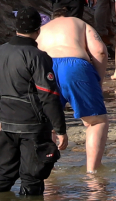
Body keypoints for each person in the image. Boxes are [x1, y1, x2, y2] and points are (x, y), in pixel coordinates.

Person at [0, 7, 68, 196]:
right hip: (32, 125)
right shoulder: (38, 57)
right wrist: (60, 129)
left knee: (4, 174)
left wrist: (0, 118)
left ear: (16, 28)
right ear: (38, 30)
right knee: (32, 178)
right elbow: (48, 95)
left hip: (7, 123)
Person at [37, 12, 109, 173]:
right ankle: (93, 173)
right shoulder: (79, 22)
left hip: (46, 67)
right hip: (75, 65)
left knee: (48, 123)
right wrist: (98, 81)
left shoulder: (43, 29)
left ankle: (48, 175)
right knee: (96, 121)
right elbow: (99, 51)